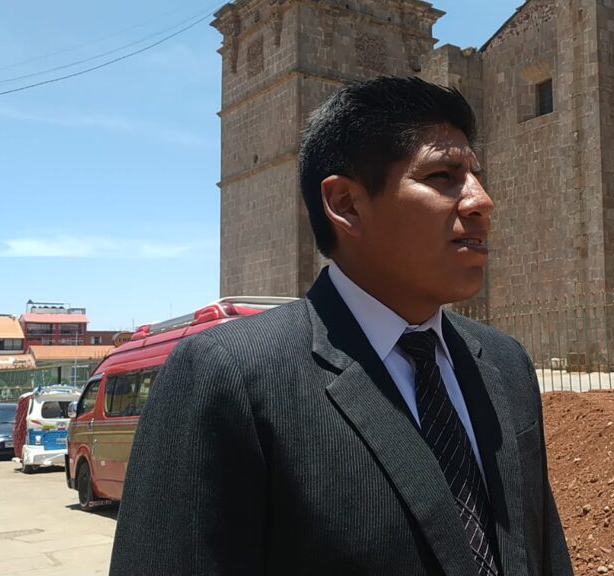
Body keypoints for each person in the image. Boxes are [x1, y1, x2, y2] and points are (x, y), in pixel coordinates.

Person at [110, 77, 573, 576]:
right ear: (346, 203)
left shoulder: (504, 363)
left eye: (476, 176)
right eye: (443, 175)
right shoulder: (229, 378)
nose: (481, 201)